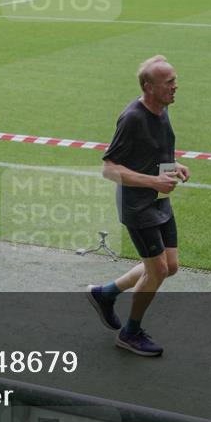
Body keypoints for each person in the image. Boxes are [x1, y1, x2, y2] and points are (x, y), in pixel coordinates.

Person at [86, 55, 189, 357]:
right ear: (149, 87)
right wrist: (153, 182)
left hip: (158, 200)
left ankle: (105, 294)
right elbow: (109, 169)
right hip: (138, 207)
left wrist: (175, 166)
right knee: (156, 271)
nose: (175, 86)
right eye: (168, 82)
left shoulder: (162, 109)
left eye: (174, 79)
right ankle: (130, 333)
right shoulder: (132, 117)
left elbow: (153, 151)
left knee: (169, 267)